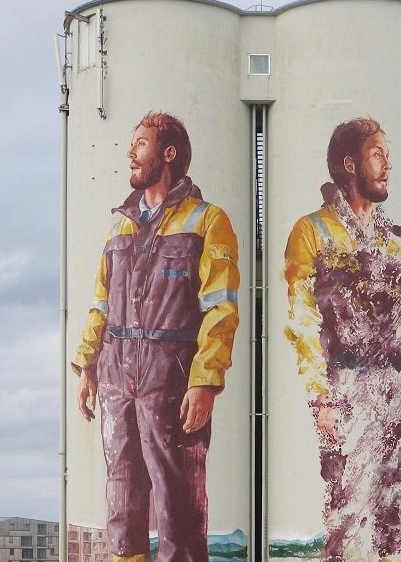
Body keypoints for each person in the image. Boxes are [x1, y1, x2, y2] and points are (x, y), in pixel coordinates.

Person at [72, 111, 240, 562]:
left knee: (177, 504)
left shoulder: (208, 221)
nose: (130, 151)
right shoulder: (118, 226)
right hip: (116, 378)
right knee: (121, 499)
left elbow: (221, 309)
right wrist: (88, 365)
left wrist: (205, 382)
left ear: (168, 153)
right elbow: (100, 303)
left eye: (140, 143)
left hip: (172, 381)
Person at [284, 117, 401, 562]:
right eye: (377, 154)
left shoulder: (394, 244)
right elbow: (302, 321)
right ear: (350, 164)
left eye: (387, 153)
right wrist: (320, 398)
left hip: (396, 393)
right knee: (348, 518)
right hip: (347, 389)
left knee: (392, 517)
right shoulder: (312, 231)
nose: (388, 164)